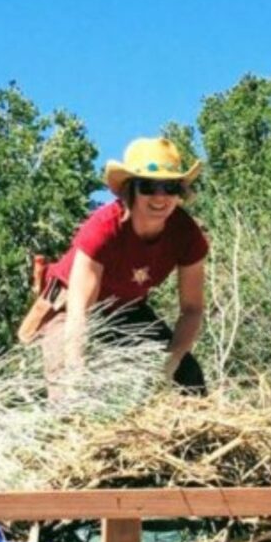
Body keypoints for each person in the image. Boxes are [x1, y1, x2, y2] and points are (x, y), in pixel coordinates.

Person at [31, 137, 208, 394]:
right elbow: (80, 310)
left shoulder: (186, 234)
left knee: (188, 376)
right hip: (69, 309)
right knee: (68, 388)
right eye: (148, 186)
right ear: (130, 190)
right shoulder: (103, 228)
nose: (160, 197)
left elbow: (192, 310)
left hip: (126, 309)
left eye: (170, 187)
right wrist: (75, 366)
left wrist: (169, 362)